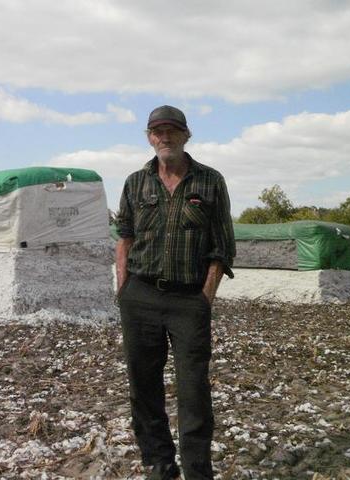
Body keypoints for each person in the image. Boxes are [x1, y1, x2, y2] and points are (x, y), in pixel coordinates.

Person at [115, 105, 236, 480]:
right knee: (144, 388)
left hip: (188, 302)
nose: (164, 137)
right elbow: (124, 237)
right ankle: (159, 466)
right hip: (141, 297)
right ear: (149, 137)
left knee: (194, 391)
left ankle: (198, 471)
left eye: (171, 131)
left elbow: (223, 245)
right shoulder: (136, 182)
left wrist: (205, 297)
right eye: (157, 132)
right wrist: (124, 289)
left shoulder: (209, 181)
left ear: (186, 135)